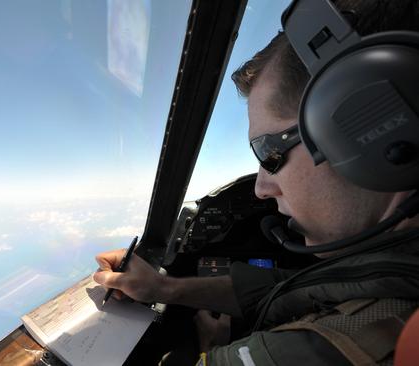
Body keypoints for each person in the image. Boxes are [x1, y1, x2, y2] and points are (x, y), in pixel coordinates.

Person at [93, 0, 419, 364]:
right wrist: (163, 288)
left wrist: (210, 348)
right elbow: (294, 288)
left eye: (270, 155)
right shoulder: (393, 264)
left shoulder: (322, 351)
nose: (261, 189)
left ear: (379, 131)